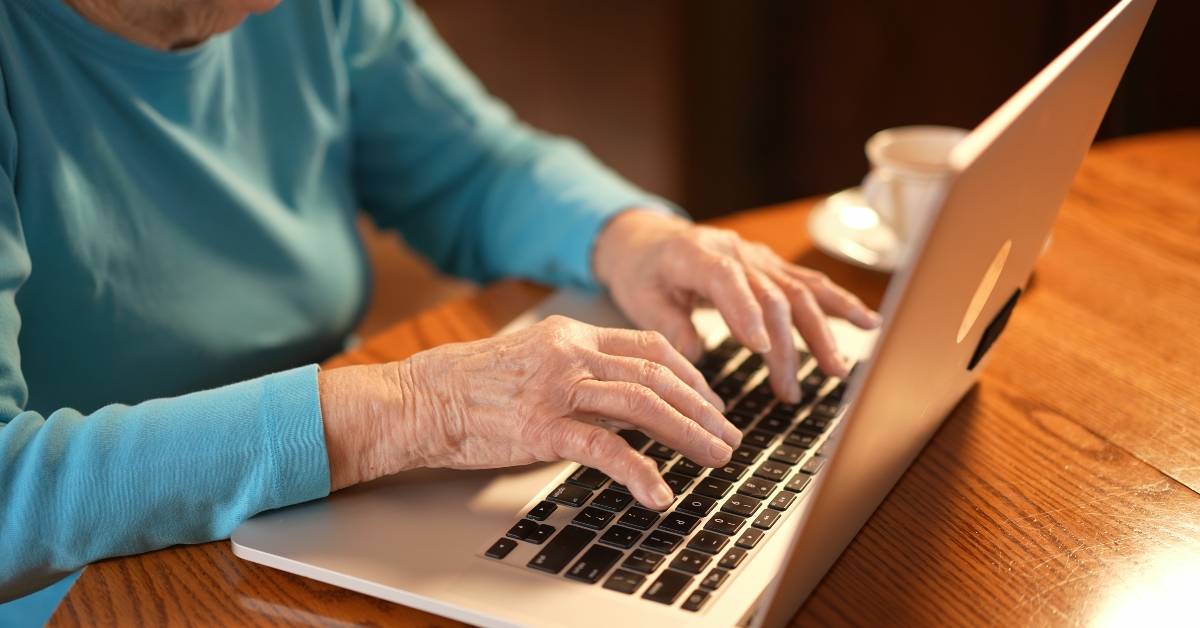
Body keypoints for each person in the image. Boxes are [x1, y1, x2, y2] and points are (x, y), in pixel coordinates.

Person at [0, 0, 881, 622]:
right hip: (100, 580)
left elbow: (472, 167)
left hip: (321, 506)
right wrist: (415, 410)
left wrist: (631, 236)